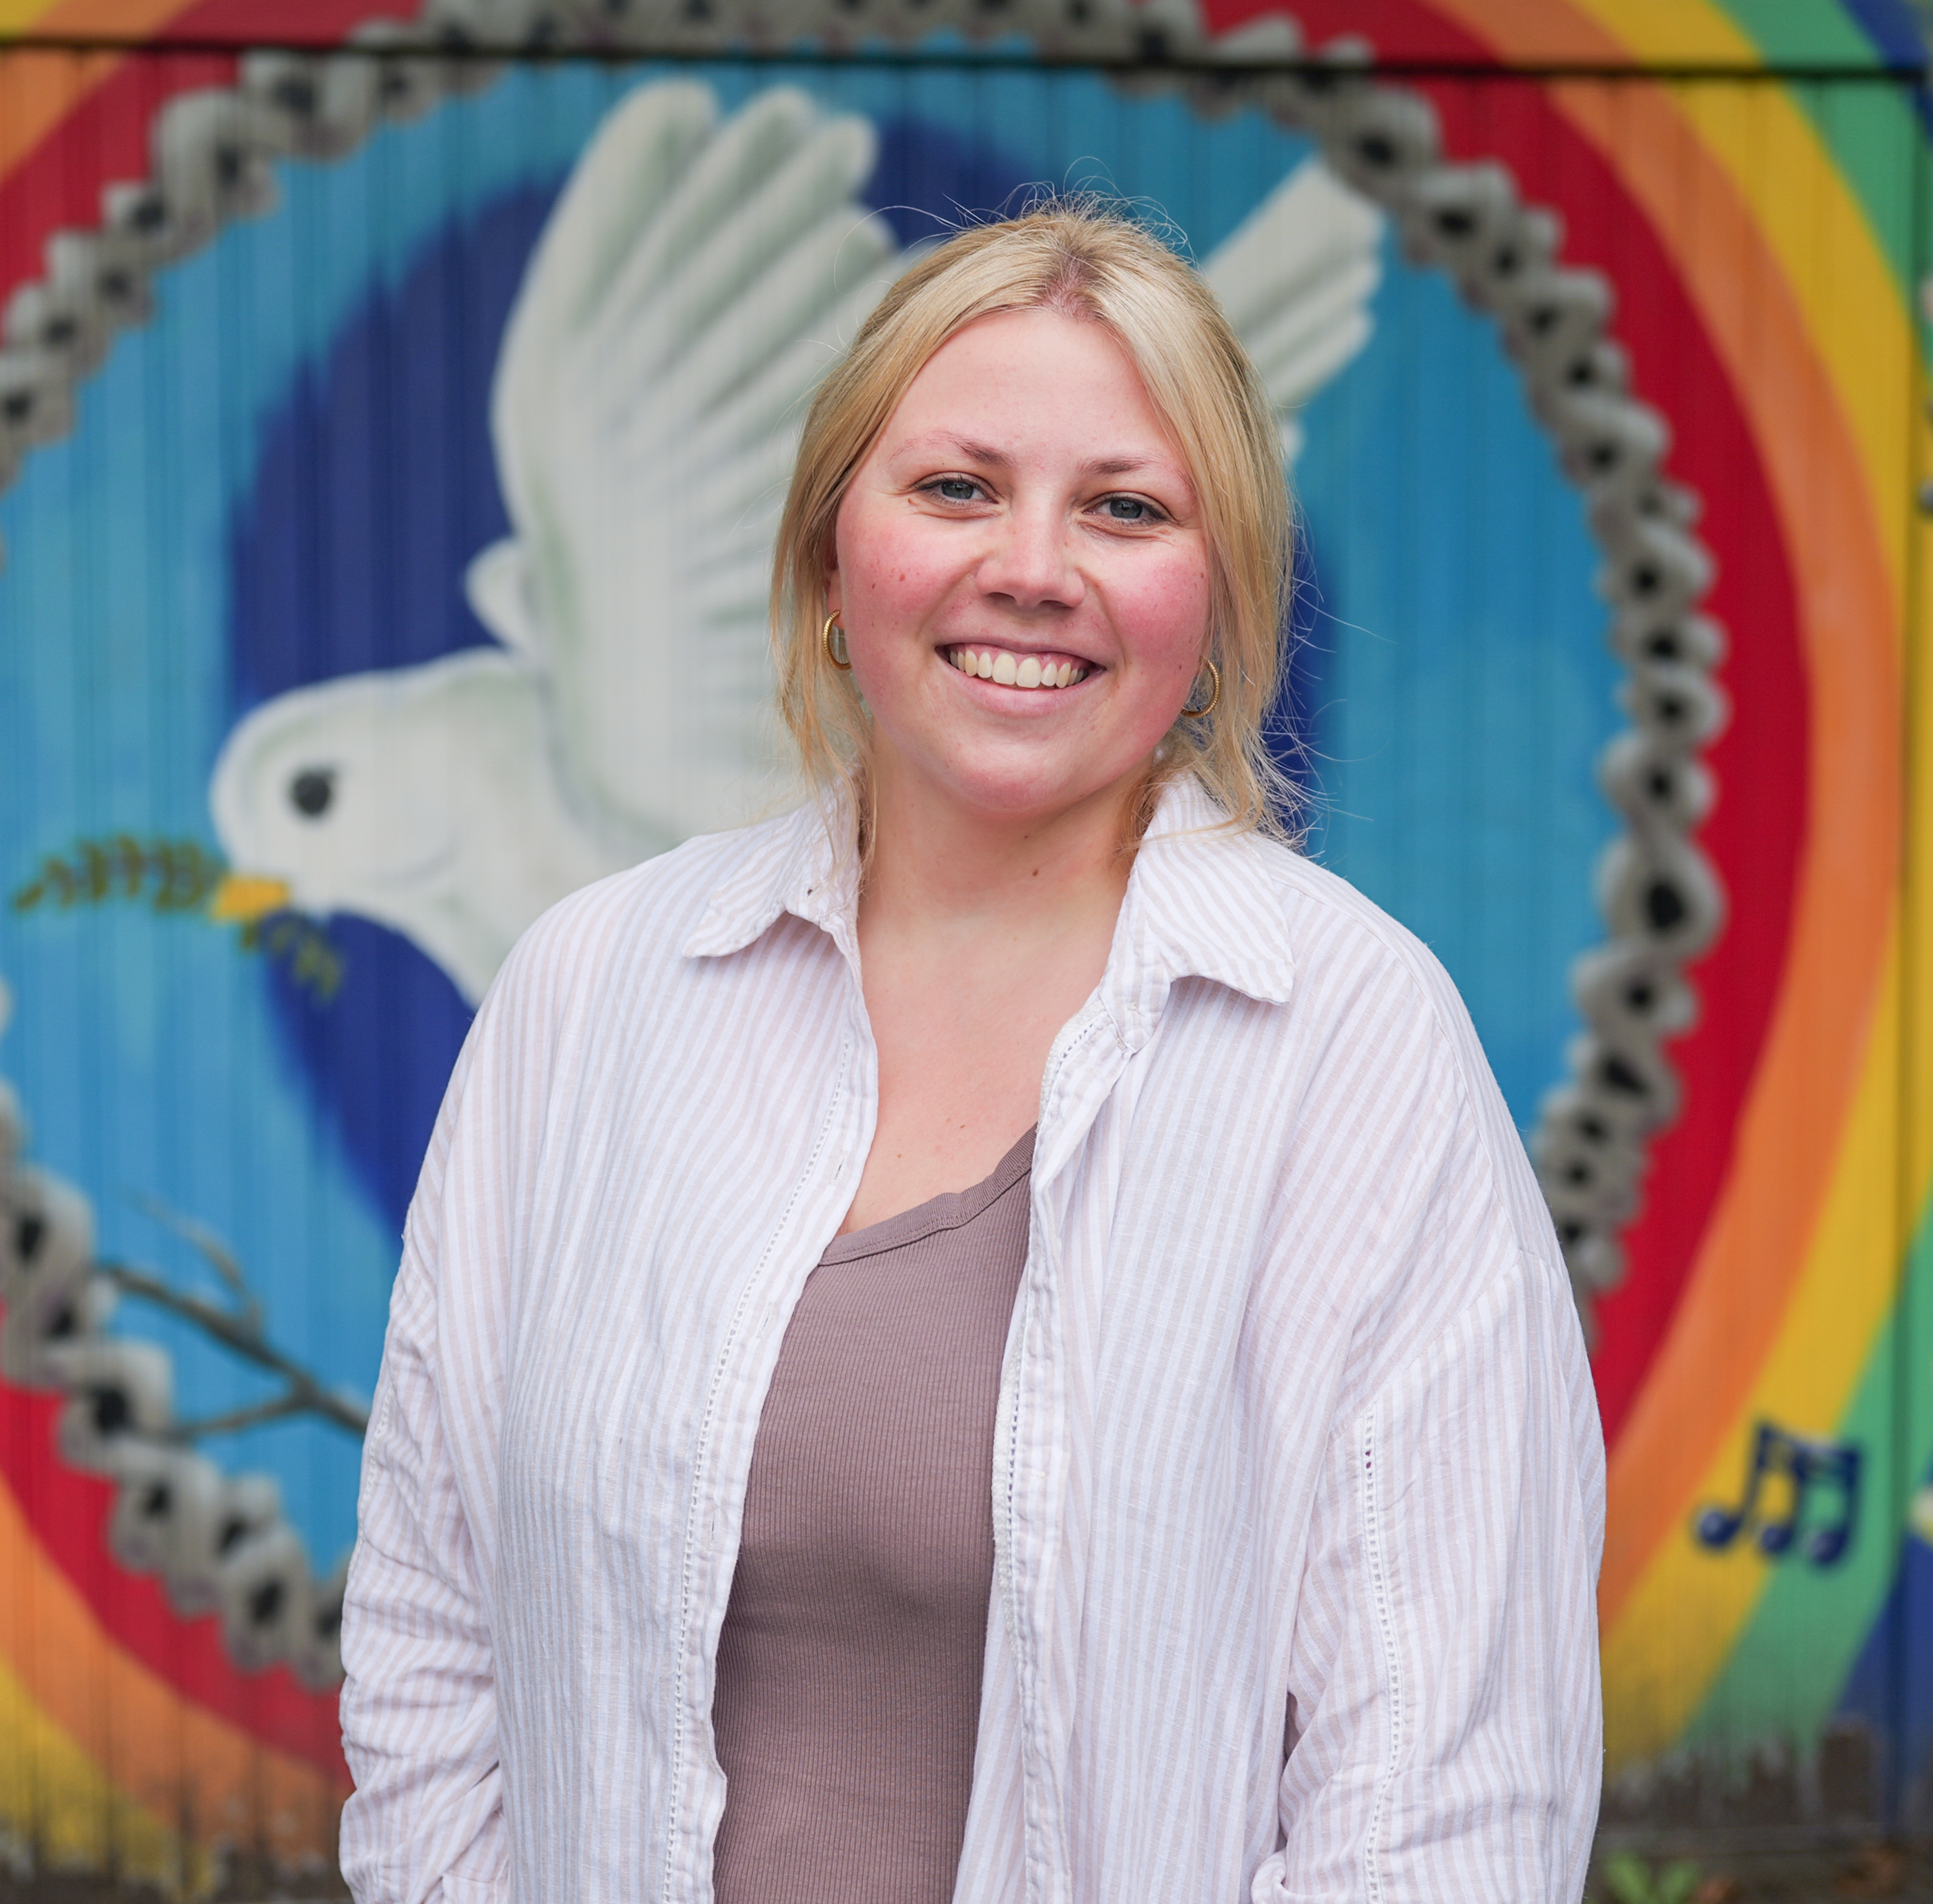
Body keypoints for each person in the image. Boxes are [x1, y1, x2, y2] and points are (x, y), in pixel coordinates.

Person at [338, 202, 1605, 1904]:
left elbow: (1447, 1790)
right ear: (824, 553)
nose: (1030, 564)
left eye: (1125, 507)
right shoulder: (590, 993)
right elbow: (430, 1634)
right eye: (954, 487)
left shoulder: (1348, 1042)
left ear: (1216, 589)